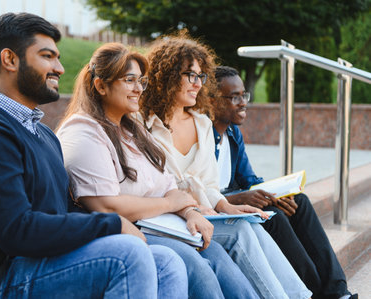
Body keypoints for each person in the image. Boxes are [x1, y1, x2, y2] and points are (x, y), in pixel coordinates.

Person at [0, 13, 188, 298]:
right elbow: (15, 231)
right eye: (47, 56)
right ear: (9, 60)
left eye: (57, 58)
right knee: (126, 254)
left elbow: (61, 212)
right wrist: (112, 223)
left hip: (44, 261)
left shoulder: (42, 134)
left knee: (166, 261)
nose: (59, 68)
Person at [56, 42, 259, 299]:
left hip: (158, 224)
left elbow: (168, 184)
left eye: (141, 80)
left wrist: (190, 211)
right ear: (101, 85)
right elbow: (106, 206)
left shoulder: (132, 128)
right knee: (196, 265)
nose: (139, 88)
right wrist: (168, 203)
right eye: (130, 80)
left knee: (215, 251)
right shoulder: (84, 131)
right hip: (123, 231)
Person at [139, 33, 312, 299]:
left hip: (202, 213)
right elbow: (155, 187)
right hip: (167, 218)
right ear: (168, 76)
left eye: (201, 76)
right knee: (241, 229)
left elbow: (208, 185)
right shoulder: (143, 125)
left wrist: (226, 206)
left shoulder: (202, 124)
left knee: (251, 223)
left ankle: (299, 296)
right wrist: (201, 208)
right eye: (190, 75)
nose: (198, 84)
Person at [211, 65, 357, 299]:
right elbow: (201, 193)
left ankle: (338, 292)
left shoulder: (233, 134)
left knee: (298, 202)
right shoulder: (202, 135)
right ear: (211, 101)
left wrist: (276, 195)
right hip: (218, 209)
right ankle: (315, 293)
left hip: (237, 202)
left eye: (244, 95)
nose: (243, 102)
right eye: (234, 97)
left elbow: (250, 180)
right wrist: (241, 198)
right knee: (274, 218)